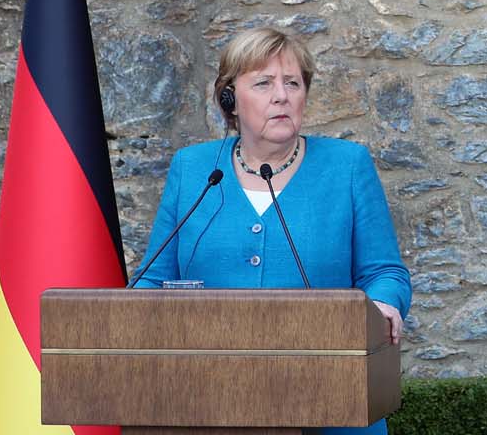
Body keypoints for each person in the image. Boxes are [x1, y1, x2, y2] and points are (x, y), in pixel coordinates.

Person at [133, 28, 411, 435]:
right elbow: (152, 279)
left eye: (292, 83)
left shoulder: (347, 165)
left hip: (333, 396)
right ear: (230, 100)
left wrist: (383, 306)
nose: (281, 95)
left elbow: (386, 272)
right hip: (209, 400)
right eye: (263, 83)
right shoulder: (193, 169)